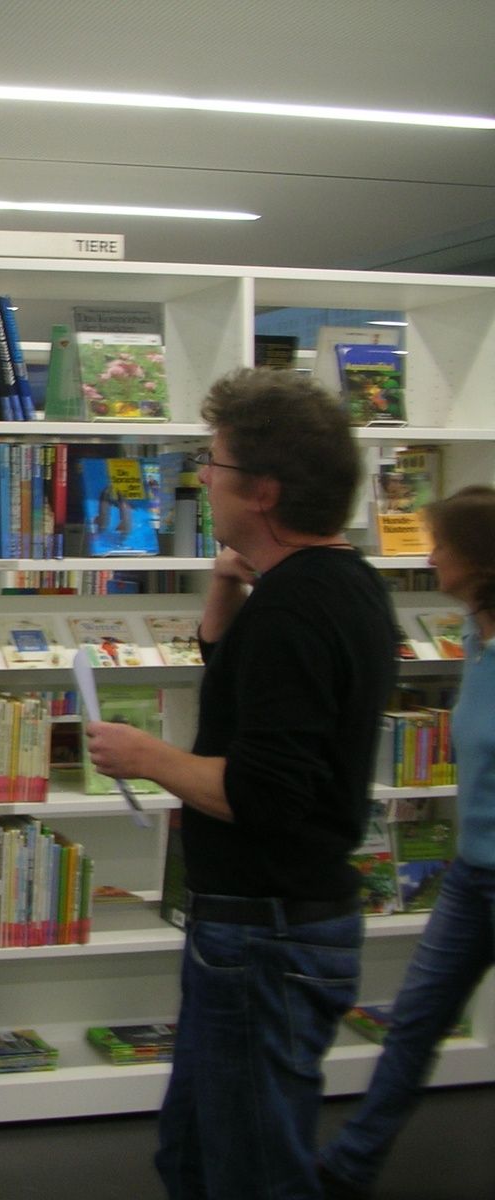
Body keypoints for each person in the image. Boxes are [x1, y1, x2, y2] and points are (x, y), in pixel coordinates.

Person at [84, 368, 396, 1199]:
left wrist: (146, 756)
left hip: (267, 935)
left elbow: (265, 792)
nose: (202, 479)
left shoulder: (296, 610)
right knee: (195, 1158)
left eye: (212, 463)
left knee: (252, 1173)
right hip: (267, 926)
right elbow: (245, 682)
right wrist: (226, 584)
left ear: (263, 491)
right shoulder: (336, 583)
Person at [317, 485, 495, 1199]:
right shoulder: (476, 637)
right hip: (471, 875)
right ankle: (350, 1166)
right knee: (416, 1019)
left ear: (479, 561)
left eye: (441, 546)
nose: (429, 558)